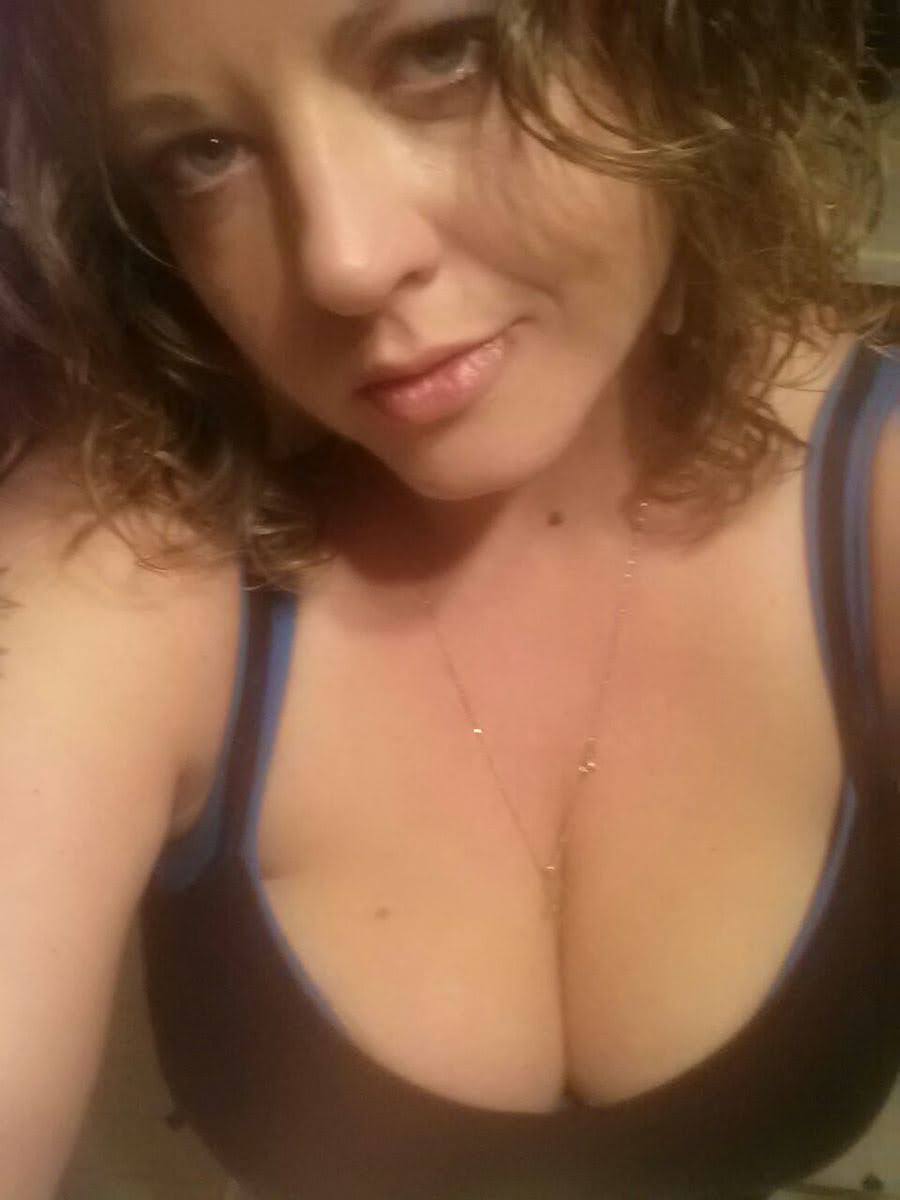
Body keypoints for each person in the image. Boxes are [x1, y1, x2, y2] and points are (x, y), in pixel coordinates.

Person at [0, 1, 898, 1198]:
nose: (342, 260)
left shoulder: (874, 501)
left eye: (440, 51)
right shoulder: (121, 557)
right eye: (201, 152)